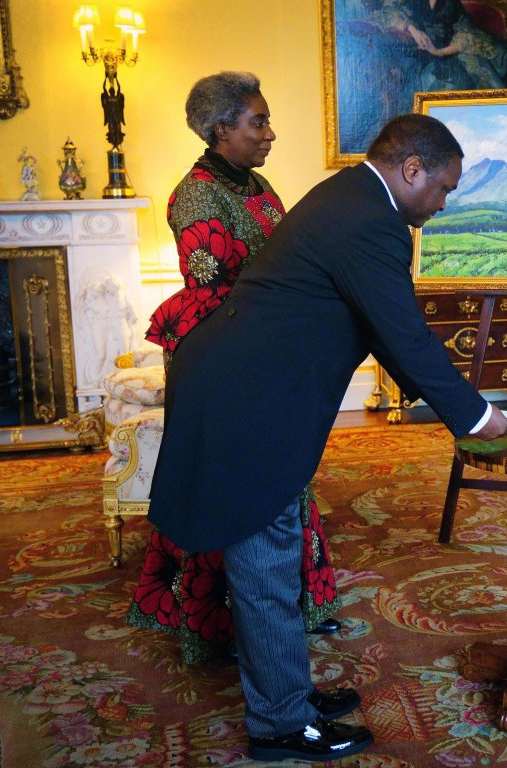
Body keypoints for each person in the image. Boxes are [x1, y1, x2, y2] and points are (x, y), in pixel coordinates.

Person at [147, 112, 507, 762]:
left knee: (278, 553)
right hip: (245, 403)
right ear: (411, 170)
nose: (443, 202)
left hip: (249, 391)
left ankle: (287, 694)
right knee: (263, 566)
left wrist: (454, 412)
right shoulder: (371, 220)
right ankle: (279, 726)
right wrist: (479, 418)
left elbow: (382, 332)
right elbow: (403, 333)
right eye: (444, 188)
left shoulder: (351, 197)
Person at [126, 71, 341, 665]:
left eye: (267, 120)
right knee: (229, 479)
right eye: (258, 122)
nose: (270, 133)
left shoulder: (255, 183)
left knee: (278, 472)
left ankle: (290, 601)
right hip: (222, 354)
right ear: (222, 129)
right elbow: (216, 285)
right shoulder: (194, 194)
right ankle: (220, 621)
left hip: (260, 345)